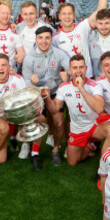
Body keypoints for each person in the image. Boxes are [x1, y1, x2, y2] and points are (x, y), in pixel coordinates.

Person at [0, 53, 44, 170]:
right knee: (2, 159)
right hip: (1, 119)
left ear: (9, 67)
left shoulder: (18, 79)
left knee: (40, 118)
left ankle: (32, 151)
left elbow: (25, 101)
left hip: (16, 115)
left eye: (4, 65)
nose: (0, 68)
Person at [46, 55, 107, 166]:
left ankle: (105, 163)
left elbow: (99, 108)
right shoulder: (64, 87)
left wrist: (81, 88)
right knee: (72, 162)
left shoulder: (95, 85)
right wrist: (47, 98)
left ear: (86, 68)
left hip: (95, 126)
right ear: (69, 70)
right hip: (77, 129)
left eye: (81, 67)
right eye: (75, 68)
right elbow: (54, 110)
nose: (78, 71)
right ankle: (91, 145)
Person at [22, 26, 70, 164]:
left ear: (51, 39)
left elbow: (70, 67)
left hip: (54, 92)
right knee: (40, 120)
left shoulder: (59, 54)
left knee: (59, 122)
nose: (44, 41)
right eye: (41, 38)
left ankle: (55, 149)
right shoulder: (29, 58)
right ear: (36, 39)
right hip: (37, 93)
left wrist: (68, 74)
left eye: (47, 38)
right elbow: (25, 80)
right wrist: (32, 82)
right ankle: (34, 152)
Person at [52, 0, 108, 77]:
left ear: (74, 16)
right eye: (64, 14)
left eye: (69, 14)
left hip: (88, 77)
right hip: (70, 80)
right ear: (59, 16)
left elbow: (101, 10)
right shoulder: (56, 39)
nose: (67, 17)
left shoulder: (82, 27)